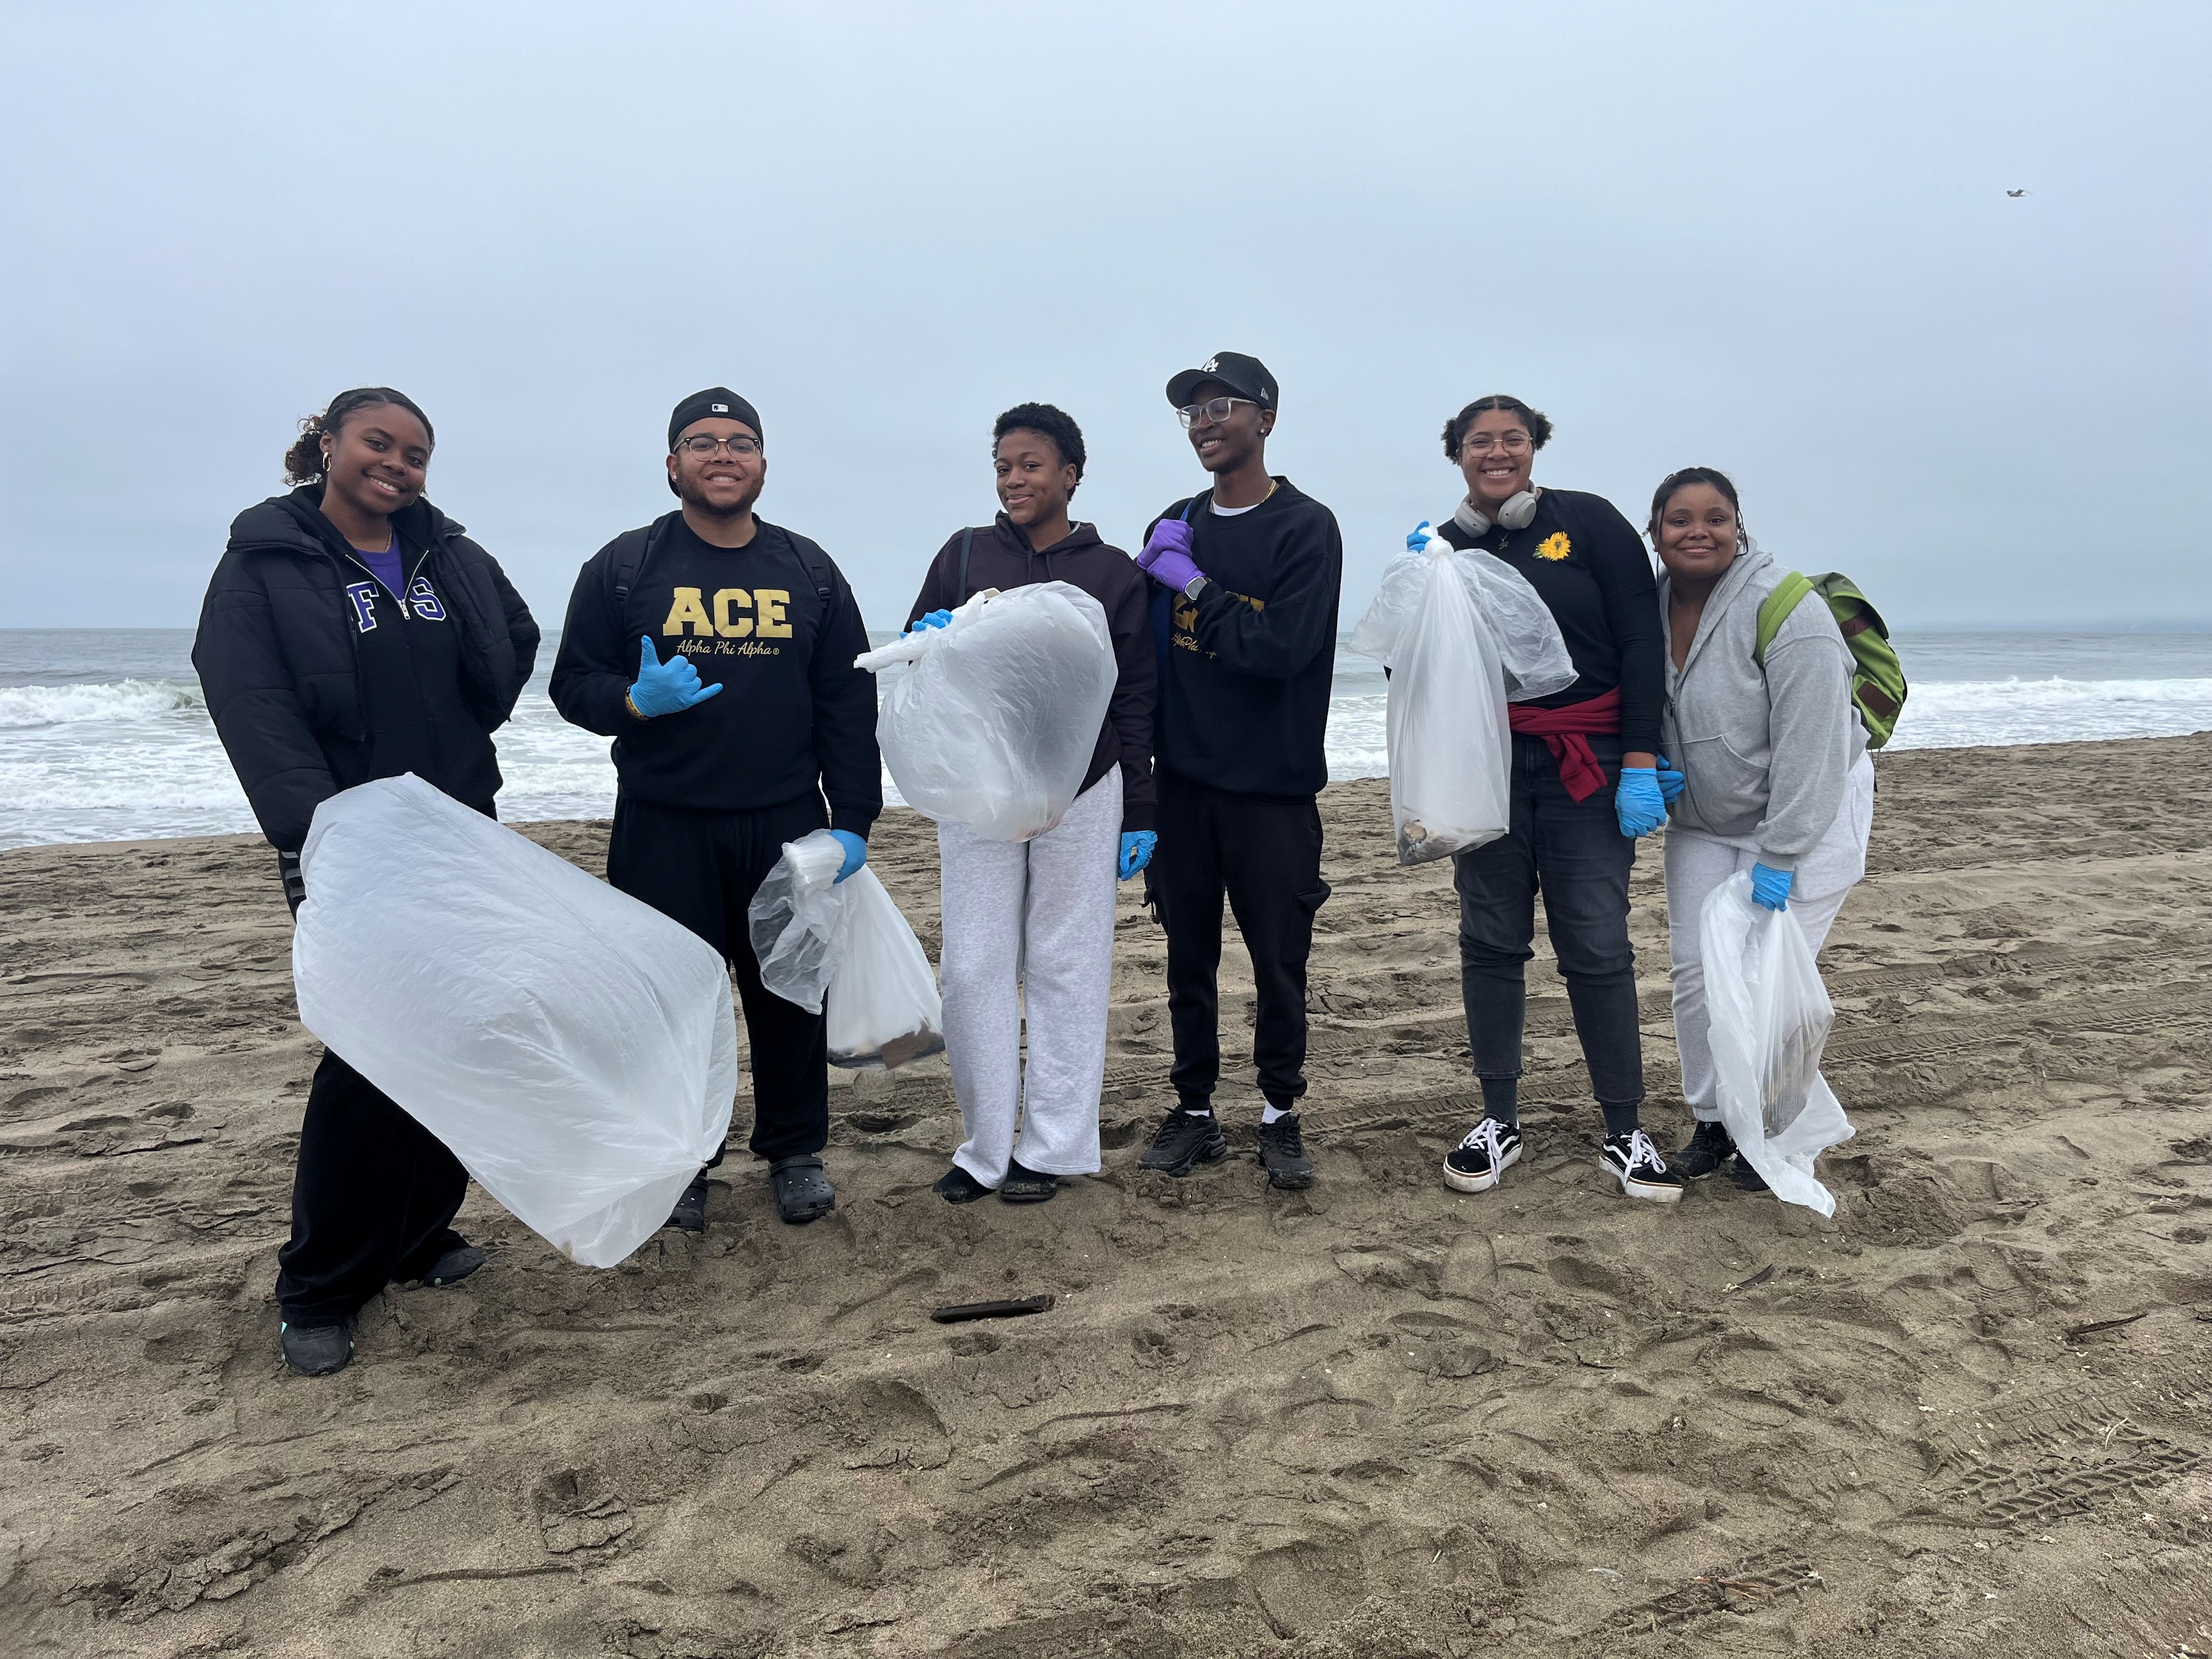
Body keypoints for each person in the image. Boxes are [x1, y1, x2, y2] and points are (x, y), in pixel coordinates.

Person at [195, 387, 540, 1376]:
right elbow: (251, 703)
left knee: (457, 1035)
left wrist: (470, 731)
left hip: (460, 833)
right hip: (350, 846)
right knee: (368, 1056)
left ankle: (418, 1235)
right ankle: (319, 1283)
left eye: (417, 454)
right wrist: (321, 831)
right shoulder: (266, 564)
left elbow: (510, 640)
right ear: (329, 445)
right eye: (378, 444)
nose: (397, 465)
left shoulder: (447, 552)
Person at [549, 389, 879, 1232]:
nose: (722, 454)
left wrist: (853, 821)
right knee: (671, 1003)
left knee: (789, 995)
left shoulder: (808, 569)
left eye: (740, 442)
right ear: (672, 466)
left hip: (783, 822)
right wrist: (634, 701)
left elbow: (846, 703)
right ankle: (684, 1156)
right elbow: (571, 684)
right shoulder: (624, 567)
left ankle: (795, 1150)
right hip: (664, 821)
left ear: (764, 465)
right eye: (702, 442)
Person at [1427, 396, 1682, 1204]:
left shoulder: (1593, 525)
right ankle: (1498, 1121)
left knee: (1598, 948)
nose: (1497, 452)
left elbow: (1643, 643)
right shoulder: (1443, 547)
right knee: (1490, 940)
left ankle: (1624, 1130)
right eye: (1479, 442)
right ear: (1457, 455)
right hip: (1487, 765)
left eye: (1513, 439)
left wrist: (1642, 759)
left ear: (1536, 448)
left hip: (1592, 763)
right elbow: (1420, 675)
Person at [903, 404, 1156, 1204]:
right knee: (974, 968)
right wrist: (932, 638)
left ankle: (1052, 1147)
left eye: (1031, 465)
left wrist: (1141, 810)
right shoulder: (965, 553)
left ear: (1071, 474)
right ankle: (983, 1147)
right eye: (1003, 466)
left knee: (1066, 966)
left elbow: (1135, 694)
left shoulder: (1113, 572)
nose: (1014, 479)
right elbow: (916, 661)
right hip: (982, 791)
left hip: (1084, 789)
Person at [1130, 353, 1342, 1191]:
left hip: (1274, 791)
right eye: (1192, 411)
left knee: (1279, 959)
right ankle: (1194, 1111)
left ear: (1266, 418)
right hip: (1184, 786)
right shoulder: (1173, 520)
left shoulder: (1306, 527)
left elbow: (1278, 650)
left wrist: (1193, 582)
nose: (1206, 422)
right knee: (1190, 959)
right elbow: (1143, 661)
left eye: (1223, 406)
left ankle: (1281, 1114)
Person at [1649, 467, 1873, 1189]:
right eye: (1680, 518)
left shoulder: (1785, 606)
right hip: (1707, 819)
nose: (1698, 531)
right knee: (1696, 975)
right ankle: (1714, 1121)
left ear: (1738, 526)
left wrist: (1783, 853)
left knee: (1770, 979)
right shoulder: (1647, 606)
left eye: (1716, 517)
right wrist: (1656, 762)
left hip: (1806, 816)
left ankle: (1769, 1133)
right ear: (1655, 532)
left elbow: (1817, 746)